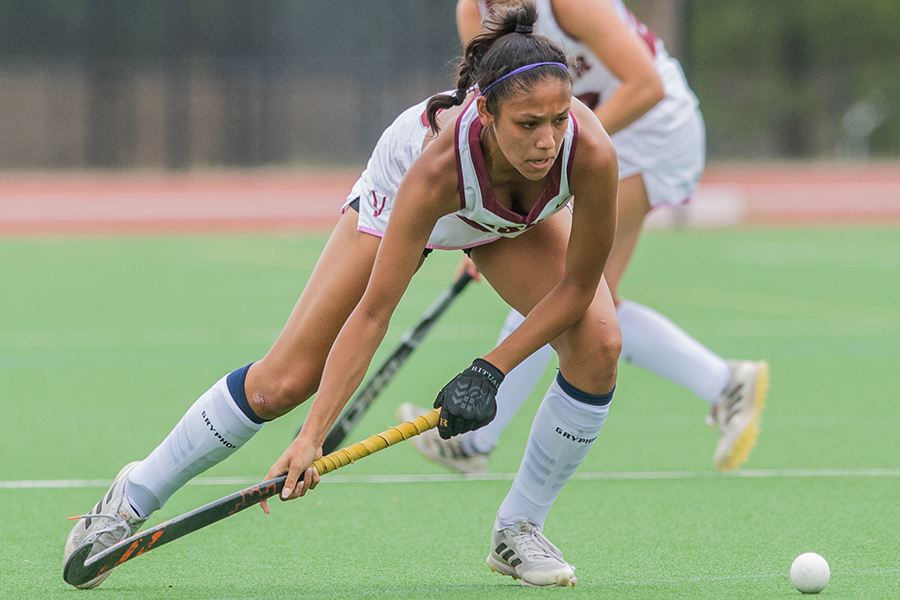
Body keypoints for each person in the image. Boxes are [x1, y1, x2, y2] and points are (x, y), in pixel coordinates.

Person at [64, 2, 620, 588]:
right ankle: (126, 503)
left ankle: (519, 530)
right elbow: (375, 312)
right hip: (414, 200)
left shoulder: (589, 153)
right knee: (285, 382)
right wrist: (311, 437)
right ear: (485, 112)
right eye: (528, 125)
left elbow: (578, 286)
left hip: (505, 220)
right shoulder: (431, 170)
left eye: (559, 119)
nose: (547, 141)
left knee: (599, 345)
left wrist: (491, 369)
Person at [400, 0, 768, 474]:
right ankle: (725, 383)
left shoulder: (570, 4)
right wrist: (489, 216)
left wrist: (563, 158)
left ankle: (473, 442)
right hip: (558, 139)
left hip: (648, 130)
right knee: (591, 301)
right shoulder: (473, 11)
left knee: (574, 292)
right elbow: (488, 113)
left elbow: (646, 86)